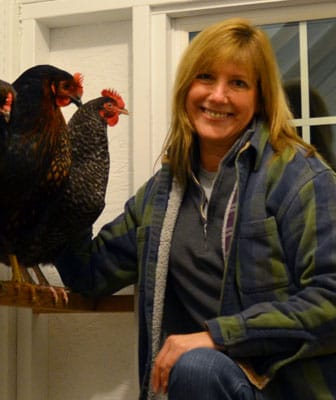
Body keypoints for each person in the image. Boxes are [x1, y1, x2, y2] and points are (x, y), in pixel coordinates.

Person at [55, 18, 336, 399]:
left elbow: (331, 297)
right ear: (187, 87)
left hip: (289, 391)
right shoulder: (161, 195)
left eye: (238, 83)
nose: (218, 96)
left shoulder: (299, 177)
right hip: (204, 387)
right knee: (197, 369)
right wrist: (64, 184)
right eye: (205, 77)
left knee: (197, 366)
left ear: (260, 98)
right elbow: (88, 273)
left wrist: (219, 336)